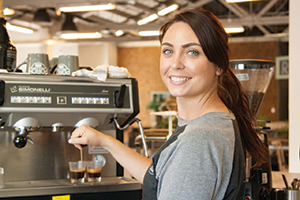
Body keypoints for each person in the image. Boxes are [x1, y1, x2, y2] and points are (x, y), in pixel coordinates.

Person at [68, 8, 269, 200]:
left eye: (192, 52)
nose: (176, 64)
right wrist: (104, 140)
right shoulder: (215, 122)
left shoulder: (198, 140)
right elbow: (164, 177)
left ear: (219, 65)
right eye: (167, 51)